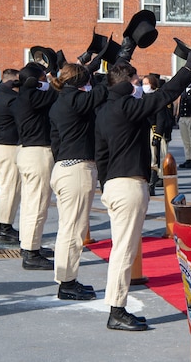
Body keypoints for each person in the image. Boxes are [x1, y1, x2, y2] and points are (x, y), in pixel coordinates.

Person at [95, 40, 191, 331]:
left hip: (115, 184)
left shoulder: (105, 110)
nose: (139, 84)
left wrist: (105, 185)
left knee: (124, 248)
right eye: (136, 80)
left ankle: (117, 308)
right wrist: (190, 65)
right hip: (129, 185)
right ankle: (117, 310)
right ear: (129, 83)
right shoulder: (127, 106)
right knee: (125, 250)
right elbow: (167, 94)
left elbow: (101, 154)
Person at [49, 62, 107, 300]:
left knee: (68, 228)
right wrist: (123, 56)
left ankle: (67, 279)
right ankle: (66, 283)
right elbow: (104, 90)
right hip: (77, 169)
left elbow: (55, 142)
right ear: (82, 82)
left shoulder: (59, 102)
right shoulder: (76, 100)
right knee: (73, 230)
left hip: (63, 167)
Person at [14, 62, 59, 270]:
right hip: (37, 153)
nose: (45, 82)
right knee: (37, 205)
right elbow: (56, 91)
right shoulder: (32, 97)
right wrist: (53, 78)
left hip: (28, 152)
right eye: (42, 79)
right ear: (34, 81)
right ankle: (31, 253)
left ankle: (29, 245)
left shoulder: (25, 96)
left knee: (31, 204)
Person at [0, 69, 21, 242]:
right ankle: (5, 228)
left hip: (1, 146)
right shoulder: (10, 98)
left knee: (9, 188)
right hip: (7, 148)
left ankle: (6, 226)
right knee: (10, 189)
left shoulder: (1, 93)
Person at [142, 74, 169, 195]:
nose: (144, 86)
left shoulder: (157, 98)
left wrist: (158, 134)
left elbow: (161, 118)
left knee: (154, 158)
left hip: (153, 131)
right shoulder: (141, 97)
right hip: (143, 131)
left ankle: (152, 184)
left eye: (146, 83)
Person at [176, 83, 191, 169]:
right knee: (185, 140)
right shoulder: (183, 90)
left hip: (190, 117)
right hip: (183, 117)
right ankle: (188, 158)